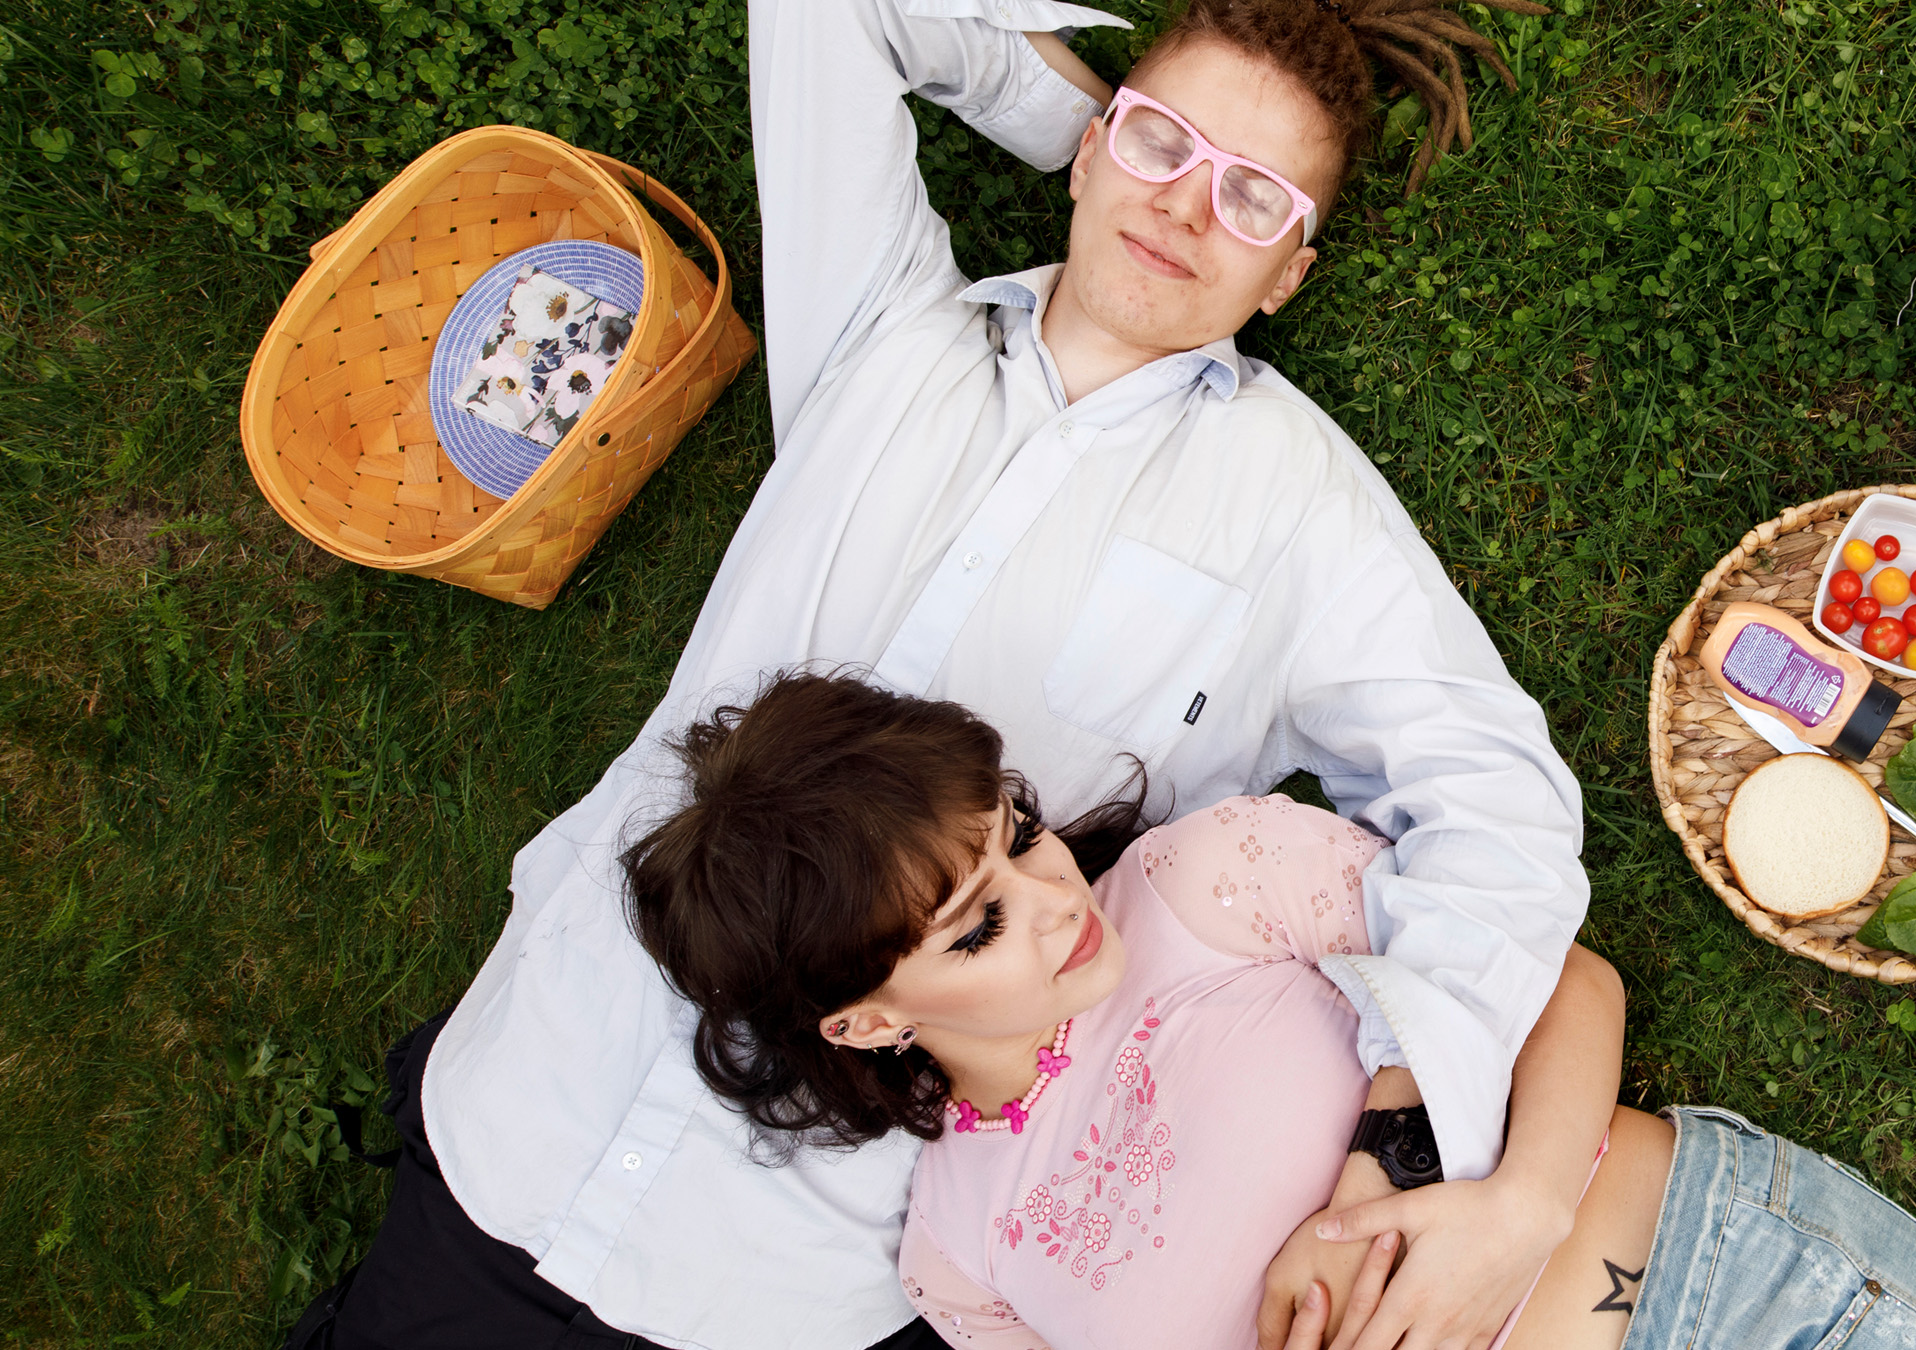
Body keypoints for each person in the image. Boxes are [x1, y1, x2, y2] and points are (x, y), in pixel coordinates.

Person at [299, 2, 1595, 1347]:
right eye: (1161, 144)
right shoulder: (881, 327)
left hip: (783, 1284)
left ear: (1288, 277)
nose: (1185, 209)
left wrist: (1401, 1139)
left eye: (1253, 199)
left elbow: (1502, 810)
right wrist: (1070, 117)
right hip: (523, 1110)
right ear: (1091, 150)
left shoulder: (1302, 512)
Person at [626, 673, 1916, 1350]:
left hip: (1718, 1292)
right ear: (866, 1022)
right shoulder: (957, 1255)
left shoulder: (1203, 880)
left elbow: (1570, 982)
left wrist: (1509, 1210)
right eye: (980, 924)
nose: (1056, 899)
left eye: (1022, 833)